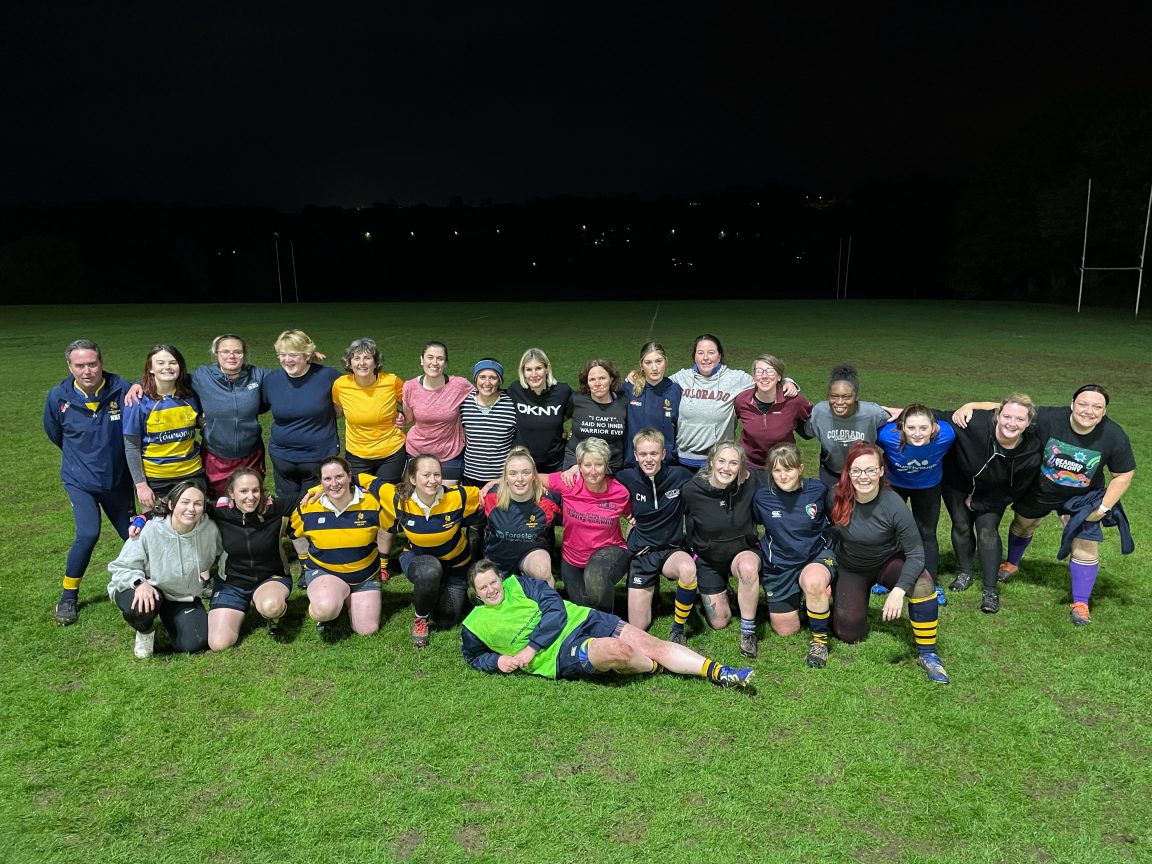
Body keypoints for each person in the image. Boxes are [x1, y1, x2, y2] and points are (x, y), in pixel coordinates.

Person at [956, 384, 1136, 625]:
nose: (1088, 411)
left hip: (1082, 497)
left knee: (1085, 543)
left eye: (1097, 407)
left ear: (1104, 411)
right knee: (1023, 525)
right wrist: (971, 405)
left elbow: (1123, 474)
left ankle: (1081, 603)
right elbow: (1012, 409)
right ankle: (1012, 563)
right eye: (1083, 404)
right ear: (1072, 405)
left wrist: (1103, 508)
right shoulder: (1050, 417)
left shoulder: (1113, 435)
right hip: (1040, 489)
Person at [461, 560, 755, 691]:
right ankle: (655, 667)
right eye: (483, 588)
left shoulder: (520, 585)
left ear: (500, 579)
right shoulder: (474, 625)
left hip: (584, 618)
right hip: (559, 653)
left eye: (493, 582)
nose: (491, 590)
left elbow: (555, 610)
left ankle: (721, 672)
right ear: (475, 594)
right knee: (618, 651)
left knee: (652, 643)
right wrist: (498, 661)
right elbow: (473, 656)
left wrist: (530, 648)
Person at [829, 442, 949, 683]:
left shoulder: (893, 504)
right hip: (851, 568)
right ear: (848, 472)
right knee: (849, 633)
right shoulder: (834, 496)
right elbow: (824, 535)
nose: (864, 477)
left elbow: (916, 553)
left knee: (923, 584)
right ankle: (847, 607)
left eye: (870, 470)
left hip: (887, 562)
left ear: (881, 471)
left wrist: (899, 590)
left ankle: (928, 654)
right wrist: (827, 576)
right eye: (857, 470)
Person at [44, 339, 135, 625]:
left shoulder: (123, 390)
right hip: (80, 481)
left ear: (101, 363)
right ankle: (68, 597)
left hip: (117, 481)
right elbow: (55, 433)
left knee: (135, 536)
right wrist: (81, 460)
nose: (87, 371)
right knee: (88, 533)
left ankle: (160, 584)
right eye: (80, 365)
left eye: (92, 364)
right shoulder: (58, 397)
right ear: (69, 366)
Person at [937, 394, 1041, 614]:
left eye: (1020, 419)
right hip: (957, 480)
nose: (1012, 423)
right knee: (961, 525)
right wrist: (898, 413)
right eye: (1007, 417)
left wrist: (980, 504)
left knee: (987, 530)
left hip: (994, 491)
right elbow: (934, 416)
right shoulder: (974, 423)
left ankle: (990, 590)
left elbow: (1014, 490)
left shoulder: (1031, 451)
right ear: (997, 416)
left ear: (1028, 423)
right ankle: (964, 572)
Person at [375, 453, 485, 647]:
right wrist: (319, 489)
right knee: (429, 571)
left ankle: (439, 588)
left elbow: (490, 494)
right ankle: (421, 618)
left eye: (437, 475)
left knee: (446, 620)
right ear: (412, 479)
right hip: (418, 559)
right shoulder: (398, 498)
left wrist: (492, 485)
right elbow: (361, 479)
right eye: (426, 475)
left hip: (456, 565)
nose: (432, 480)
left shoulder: (459, 496)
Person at [107, 481, 222, 658]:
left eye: (198, 504)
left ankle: (171, 619)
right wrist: (139, 583)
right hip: (145, 586)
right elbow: (120, 567)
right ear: (171, 504)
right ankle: (145, 630)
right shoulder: (149, 529)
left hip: (180, 594)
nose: (191, 508)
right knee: (139, 607)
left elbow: (230, 550)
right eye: (185, 502)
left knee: (195, 643)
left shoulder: (210, 530)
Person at [752, 442, 837, 667]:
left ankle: (819, 643)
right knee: (786, 630)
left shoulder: (818, 490)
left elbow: (835, 522)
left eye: (788, 469)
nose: (783, 476)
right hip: (780, 565)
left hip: (815, 556)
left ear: (800, 468)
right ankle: (805, 599)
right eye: (777, 470)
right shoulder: (762, 497)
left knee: (814, 581)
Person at [614, 428, 698, 643]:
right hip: (642, 554)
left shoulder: (680, 475)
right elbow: (599, 483)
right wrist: (626, 513)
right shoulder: (626, 477)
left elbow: (708, 484)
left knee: (688, 569)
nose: (648, 459)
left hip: (670, 551)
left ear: (663, 454)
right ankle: (653, 591)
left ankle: (678, 629)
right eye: (643, 454)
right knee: (638, 626)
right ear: (635, 455)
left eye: (653, 453)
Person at [289, 456, 388, 638]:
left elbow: (394, 513)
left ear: (350, 476)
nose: (334, 484)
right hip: (326, 572)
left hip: (365, 575)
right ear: (320, 483)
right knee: (325, 608)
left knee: (367, 630)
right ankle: (326, 604)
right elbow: (293, 531)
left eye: (339, 477)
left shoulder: (372, 502)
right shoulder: (308, 506)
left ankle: (346, 596)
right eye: (327, 479)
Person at [680, 440, 762, 657]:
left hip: (742, 551)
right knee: (719, 621)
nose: (726, 468)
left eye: (733, 463)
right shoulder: (692, 490)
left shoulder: (751, 482)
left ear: (741, 467)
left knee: (748, 568)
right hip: (709, 559)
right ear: (711, 462)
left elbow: (782, 483)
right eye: (722, 461)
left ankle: (748, 631)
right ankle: (726, 590)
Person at [204, 469, 295, 649]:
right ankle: (236, 607)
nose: (251, 497)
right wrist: (149, 515)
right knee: (219, 644)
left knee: (271, 606)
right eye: (243, 491)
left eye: (255, 490)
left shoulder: (274, 508)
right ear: (231, 493)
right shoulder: (219, 511)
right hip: (231, 583)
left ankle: (275, 618)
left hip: (270, 578)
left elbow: (306, 497)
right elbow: (186, 505)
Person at [547, 437, 632, 613]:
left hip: (610, 553)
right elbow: (531, 478)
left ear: (606, 465)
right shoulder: (569, 483)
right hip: (573, 559)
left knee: (596, 575)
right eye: (587, 465)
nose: (593, 471)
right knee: (583, 611)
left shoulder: (619, 492)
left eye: (598, 465)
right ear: (579, 465)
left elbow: (634, 517)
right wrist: (495, 483)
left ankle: (607, 623)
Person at [875, 403, 956, 583]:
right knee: (889, 530)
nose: (917, 433)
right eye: (911, 428)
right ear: (902, 427)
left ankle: (930, 581)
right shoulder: (886, 436)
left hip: (928, 487)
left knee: (927, 532)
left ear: (933, 428)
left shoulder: (946, 435)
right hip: (895, 486)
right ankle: (886, 576)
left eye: (923, 428)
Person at [122, 343, 205, 511]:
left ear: (180, 366)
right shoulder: (137, 401)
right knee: (156, 525)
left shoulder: (191, 395)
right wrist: (141, 485)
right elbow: (131, 447)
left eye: (173, 362)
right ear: (150, 368)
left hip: (191, 474)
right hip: (155, 480)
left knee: (192, 522)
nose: (167, 367)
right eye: (160, 363)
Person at [261, 329, 341, 501]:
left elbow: (357, 391)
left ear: (307, 355)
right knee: (287, 507)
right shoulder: (272, 380)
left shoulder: (328, 376)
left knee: (311, 508)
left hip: (318, 458)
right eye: (282, 354)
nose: (287, 360)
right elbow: (260, 405)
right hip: (282, 458)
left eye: (293, 355)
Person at [192, 334, 272, 499]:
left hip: (251, 455)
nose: (232, 356)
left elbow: (289, 376)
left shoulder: (257, 375)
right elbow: (169, 379)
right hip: (216, 456)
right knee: (219, 504)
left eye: (237, 352)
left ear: (244, 354)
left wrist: (307, 362)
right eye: (225, 352)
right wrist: (140, 384)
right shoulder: (203, 376)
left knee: (250, 501)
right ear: (216, 354)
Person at [668, 334, 755, 472]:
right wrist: (636, 376)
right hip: (683, 459)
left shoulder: (735, 378)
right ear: (694, 356)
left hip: (719, 462)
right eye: (700, 353)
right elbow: (657, 384)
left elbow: (766, 382)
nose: (705, 358)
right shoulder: (683, 377)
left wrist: (786, 382)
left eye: (711, 352)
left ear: (719, 356)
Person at [803, 363, 897, 489]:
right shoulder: (820, 412)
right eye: (834, 396)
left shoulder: (873, 413)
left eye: (846, 397)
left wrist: (902, 412)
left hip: (864, 474)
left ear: (856, 396)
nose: (839, 402)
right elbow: (806, 432)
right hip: (832, 472)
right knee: (832, 501)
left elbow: (911, 420)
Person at [481, 446, 562, 585]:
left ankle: (548, 599)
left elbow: (578, 509)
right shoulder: (491, 497)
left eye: (526, 473)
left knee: (542, 570)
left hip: (531, 554)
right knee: (497, 592)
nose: (520, 479)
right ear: (505, 478)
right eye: (513, 474)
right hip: (498, 557)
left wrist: (575, 469)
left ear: (534, 476)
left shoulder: (548, 502)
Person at [332, 337, 407, 483]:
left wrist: (403, 415)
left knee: (387, 493)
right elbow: (337, 412)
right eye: (356, 358)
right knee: (360, 495)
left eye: (367, 358)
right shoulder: (340, 385)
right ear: (349, 363)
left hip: (391, 452)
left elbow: (412, 405)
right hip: (356, 453)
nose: (362, 363)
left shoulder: (391, 381)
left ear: (376, 362)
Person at [401, 341, 474, 487]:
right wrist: (398, 417)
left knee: (445, 496)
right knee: (417, 494)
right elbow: (408, 418)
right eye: (430, 357)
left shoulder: (459, 385)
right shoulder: (410, 386)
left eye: (440, 358)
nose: (434, 363)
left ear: (445, 363)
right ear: (422, 360)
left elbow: (483, 398)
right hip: (417, 450)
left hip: (450, 453)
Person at [735, 353, 813, 471]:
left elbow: (817, 415)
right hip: (749, 466)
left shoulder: (794, 401)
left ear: (779, 377)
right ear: (754, 377)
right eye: (759, 371)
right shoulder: (742, 400)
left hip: (783, 466)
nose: (764, 376)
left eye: (770, 371)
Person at [506, 347, 573, 474]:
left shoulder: (562, 391)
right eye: (528, 369)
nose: (534, 375)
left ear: (547, 369)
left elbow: (580, 410)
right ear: (523, 372)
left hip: (555, 465)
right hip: (522, 466)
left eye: (538, 368)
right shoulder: (515, 390)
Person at [622, 341, 682, 467]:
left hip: (666, 465)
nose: (654, 368)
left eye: (659, 361)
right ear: (641, 365)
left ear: (666, 362)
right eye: (648, 362)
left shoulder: (675, 390)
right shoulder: (629, 389)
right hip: (634, 465)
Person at [460, 358, 518, 486]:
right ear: (476, 379)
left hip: (500, 478)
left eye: (493, 378)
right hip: (470, 474)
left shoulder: (511, 404)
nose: (487, 383)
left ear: (499, 381)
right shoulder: (465, 402)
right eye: (482, 377)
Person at [563, 358, 628, 472]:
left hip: (611, 465)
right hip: (576, 463)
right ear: (587, 383)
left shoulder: (622, 402)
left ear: (611, 379)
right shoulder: (577, 399)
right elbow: (560, 418)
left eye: (602, 378)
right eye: (592, 379)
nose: (597, 384)